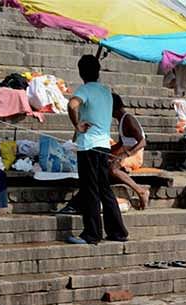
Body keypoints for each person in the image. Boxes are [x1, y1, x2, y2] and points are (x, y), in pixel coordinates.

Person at [66, 55, 128, 245]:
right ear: (98, 71)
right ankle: (117, 231)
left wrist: (77, 124)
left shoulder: (85, 89)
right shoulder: (106, 92)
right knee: (104, 189)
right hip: (103, 145)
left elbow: (72, 104)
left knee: (90, 190)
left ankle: (92, 234)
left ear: (80, 72)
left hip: (89, 145)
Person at [108, 94, 150, 210]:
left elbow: (143, 142)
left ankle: (141, 191)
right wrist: (107, 152)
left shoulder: (128, 119)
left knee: (113, 168)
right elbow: (121, 144)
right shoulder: (121, 120)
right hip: (126, 153)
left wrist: (126, 155)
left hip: (134, 156)